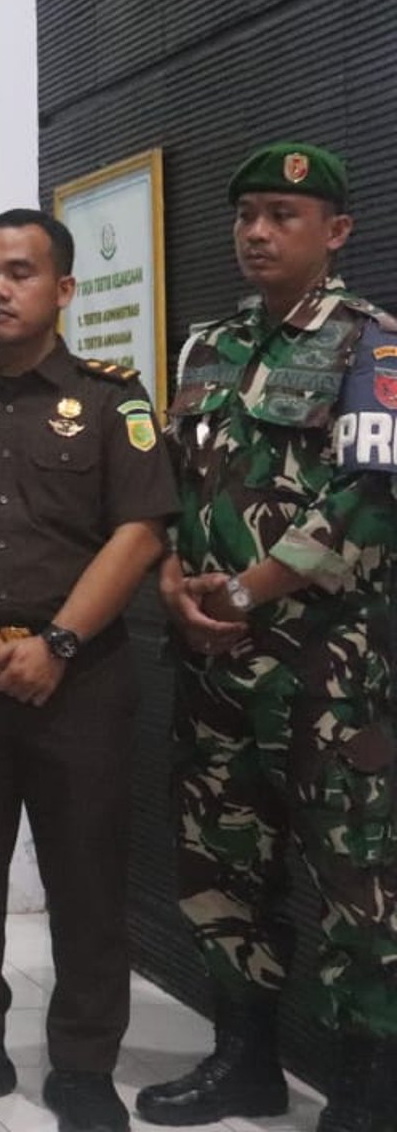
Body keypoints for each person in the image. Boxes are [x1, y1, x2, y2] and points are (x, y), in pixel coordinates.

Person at [136, 142, 397, 1132]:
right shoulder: (207, 347)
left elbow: (367, 502)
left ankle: (370, 1088)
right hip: (212, 667)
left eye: (284, 213)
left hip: (331, 674)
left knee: (356, 881)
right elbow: (168, 485)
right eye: (247, 211)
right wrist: (168, 576)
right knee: (221, 865)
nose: (256, 230)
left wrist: (246, 587)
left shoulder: (374, 346)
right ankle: (243, 1059)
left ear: (335, 231)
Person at [0, 210, 174, 1132]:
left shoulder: (111, 398)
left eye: (20, 272)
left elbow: (140, 531)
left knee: (88, 878)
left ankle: (85, 1064)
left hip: (79, 679)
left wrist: (54, 643)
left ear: (64, 290)